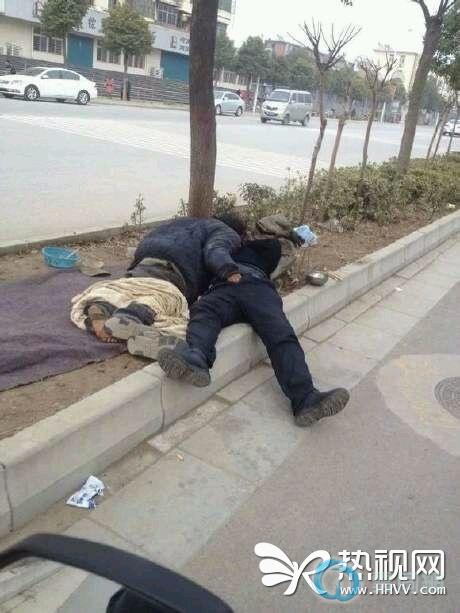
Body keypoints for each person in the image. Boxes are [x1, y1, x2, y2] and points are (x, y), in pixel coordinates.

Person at [152, 237, 350, 427]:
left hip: (234, 286)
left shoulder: (237, 248)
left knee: (206, 313)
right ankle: (305, 398)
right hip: (251, 288)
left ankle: (197, 355)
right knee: (279, 335)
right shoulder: (263, 249)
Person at [72, 214, 244, 349]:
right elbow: (216, 249)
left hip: (145, 257)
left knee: (134, 288)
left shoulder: (185, 221)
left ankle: (104, 305)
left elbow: (152, 236)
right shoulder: (226, 231)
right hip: (176, 266)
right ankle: (130, 317)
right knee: (165, 297)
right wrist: (229, 270)